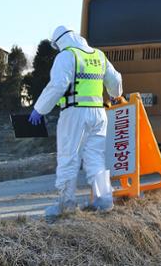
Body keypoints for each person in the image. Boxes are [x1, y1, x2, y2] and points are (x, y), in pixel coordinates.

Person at [28, 25, 123, 218]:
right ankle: (104, 200)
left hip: (75, 113)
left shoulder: (66, 56)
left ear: (58, 42)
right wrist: (115, 95)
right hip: (98, 113)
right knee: (95, 157)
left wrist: (39, 109)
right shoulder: (98, 55)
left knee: (68, 157)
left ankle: (66, 205)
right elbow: (116, 81)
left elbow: (57, 85)